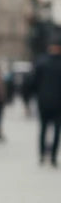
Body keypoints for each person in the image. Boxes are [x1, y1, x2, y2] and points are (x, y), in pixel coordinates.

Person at [30, 38, 61, 166]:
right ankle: (53, 156)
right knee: (57, 130)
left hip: (43, 101)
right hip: (59, 102)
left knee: (43, 128)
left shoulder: (41, 62)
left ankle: (42, 154)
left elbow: (33, 83)